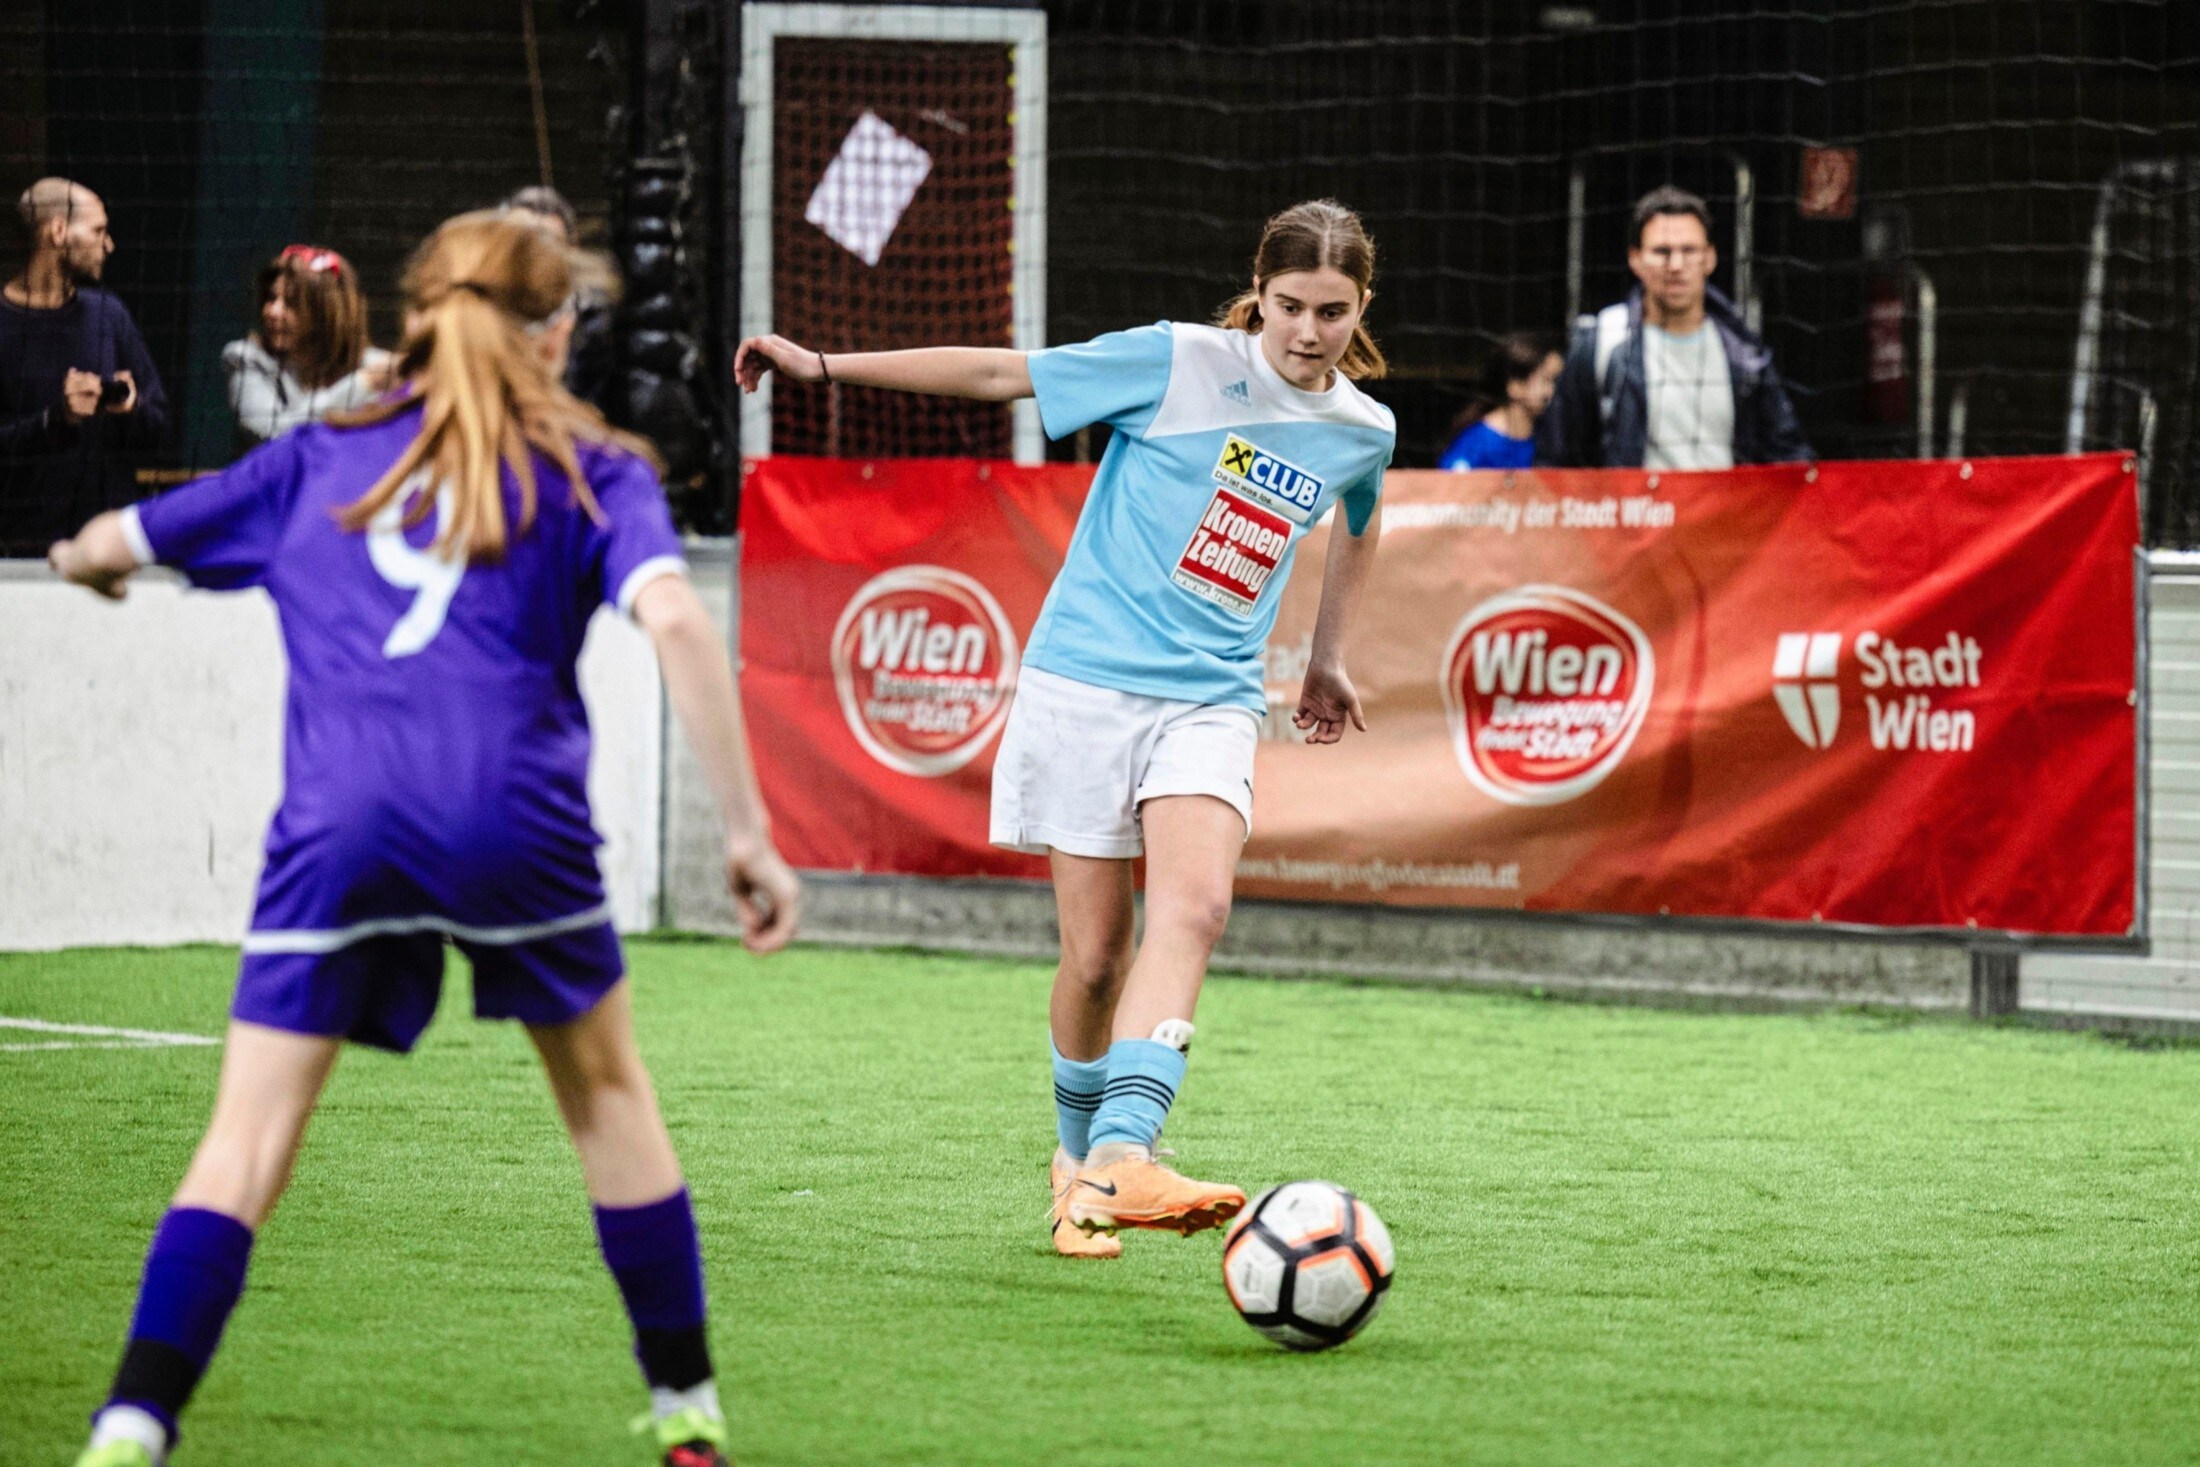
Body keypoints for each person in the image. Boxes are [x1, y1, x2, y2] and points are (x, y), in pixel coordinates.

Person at [48, 211, 800, 1467]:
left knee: (245, 1142)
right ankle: (684, 1414)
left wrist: (90, 562)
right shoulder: (593, 465)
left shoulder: (318, 456)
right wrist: (748, 836)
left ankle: (133, 1424)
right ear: (557, 333)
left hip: (338, 824)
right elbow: (672, 623)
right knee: (608, 1096)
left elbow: (107, 544)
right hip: (516, 821)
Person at [734, 198, 1394, 1259]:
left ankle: (1127, 1153)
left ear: (1361, 305)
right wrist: (821, 364)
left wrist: (1325, 657)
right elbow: (1001, 372)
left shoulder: (1363, 430)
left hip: (1211, 698)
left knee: (1199, 904)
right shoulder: (1175, 362)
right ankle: (1077, 1173)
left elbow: (1361, 524)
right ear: (1256, 294)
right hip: (1085, 682)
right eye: (1286, 308)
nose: (1306, 333)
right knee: (1094, 959)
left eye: (1330, 310)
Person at [1537, 184, 1809, 469]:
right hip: (1637, 511)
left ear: (1710, 258)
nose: (1676, 265)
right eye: (1661, 251)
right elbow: (1556, 462)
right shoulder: (1602, 343)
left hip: (1725, 512)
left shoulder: (1745, 353)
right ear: (1635, 259)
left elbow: (1789, 458)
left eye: (1689, 250)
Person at [0, 177, 167, 556]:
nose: (108, 244)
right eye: (98, 230)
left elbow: (158, 423)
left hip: (105, 547)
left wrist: (130, 410)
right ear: (58, 231)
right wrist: (55, 421)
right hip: (19, 552)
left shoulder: (109, 314)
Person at [224, 244, 394, 445]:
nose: (273, 312)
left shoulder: (376, 366)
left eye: (292, 302)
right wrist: (359, 386)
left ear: (326, 315)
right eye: (271, 298)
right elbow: (273, 433)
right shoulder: (246, 359)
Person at [502, 184, 616, 415]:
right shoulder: (478, 313)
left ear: (571, 249)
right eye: (521, 241)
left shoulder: (597, 322)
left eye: (547, 242)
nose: (534, 255)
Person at [1439, 331, 1560, 470]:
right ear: (1515, 386)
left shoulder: (1550, 436)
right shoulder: (1478, 443)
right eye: (1547, 380)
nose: (1553, 391)